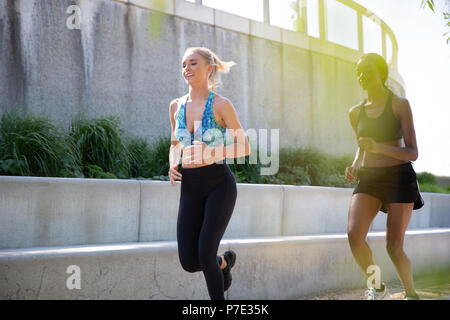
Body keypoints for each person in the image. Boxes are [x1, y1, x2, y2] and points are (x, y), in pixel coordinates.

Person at [168, 47, 250, 300]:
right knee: (189, 261)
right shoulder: (176, 106)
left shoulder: (222, 105)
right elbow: (175, 143)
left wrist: (213, 153)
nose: (187, 69)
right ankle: (224, 263)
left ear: (208, 68)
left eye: (193, 63)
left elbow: (244, 147)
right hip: (190, 186)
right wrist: (172, 164)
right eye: (184, 64)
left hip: (219, 184)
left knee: (204, 252)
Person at [345, 53, 424, 300]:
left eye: (367, 70)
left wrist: (379, 148)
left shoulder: (400, 104)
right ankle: (377, 286)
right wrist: (355, 165)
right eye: (358, 72)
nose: (362, 76)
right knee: (354, 235)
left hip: (399, 177)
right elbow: (361, 147)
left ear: (381, 73)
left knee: (394, 247)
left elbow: (412, 152)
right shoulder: (355, 113)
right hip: (370, 177)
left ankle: (411, 294)